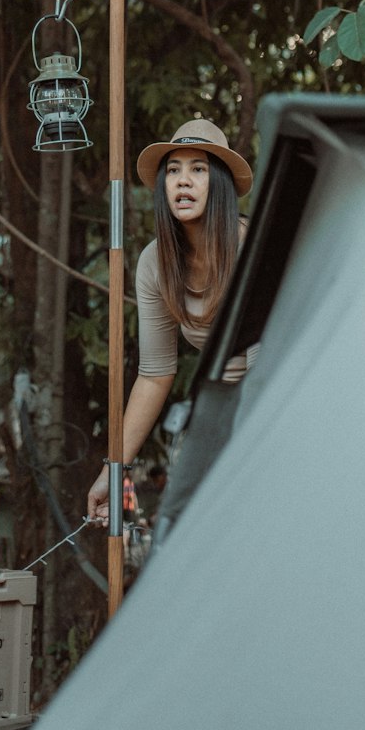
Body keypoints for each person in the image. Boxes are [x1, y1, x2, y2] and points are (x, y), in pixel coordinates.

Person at [86, 117, 254, 525]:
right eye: (174, 171)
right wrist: (113, 469)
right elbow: (155, 374)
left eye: (198, 169)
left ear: (220, 184)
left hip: (276, 401)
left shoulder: (252, 249)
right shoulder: (155, 263)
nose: (183, 181)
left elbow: (269, 364)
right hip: (223, 407)